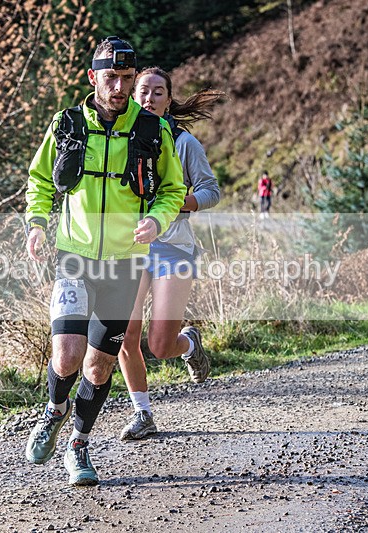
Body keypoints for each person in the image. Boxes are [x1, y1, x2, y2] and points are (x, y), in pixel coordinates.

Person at [23, 37, 186, 486]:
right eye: (110, 78)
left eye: (126, 79)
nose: (118, 87)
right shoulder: (67, 123)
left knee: (98, 366)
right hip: (75, 257)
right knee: (67, 355)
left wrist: (155, 221)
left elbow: (172, 189)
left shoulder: (153, 131)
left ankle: (78, 444)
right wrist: (37, 224)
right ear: (93, 77)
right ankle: (55, 409)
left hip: (124, 265)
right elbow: (39, 180)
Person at [117, 66, 223, 440]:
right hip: (128, 246)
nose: (149, 98)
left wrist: (177, 205)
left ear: (168, 99)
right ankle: (142, 414)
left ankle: (189, 343)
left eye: (158, 92)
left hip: (172, 247)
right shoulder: (119, 138)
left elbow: (211, 190)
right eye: (143, 91)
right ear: (133, 95)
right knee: (124, 335)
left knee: (161, 345)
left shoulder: (183, 142)